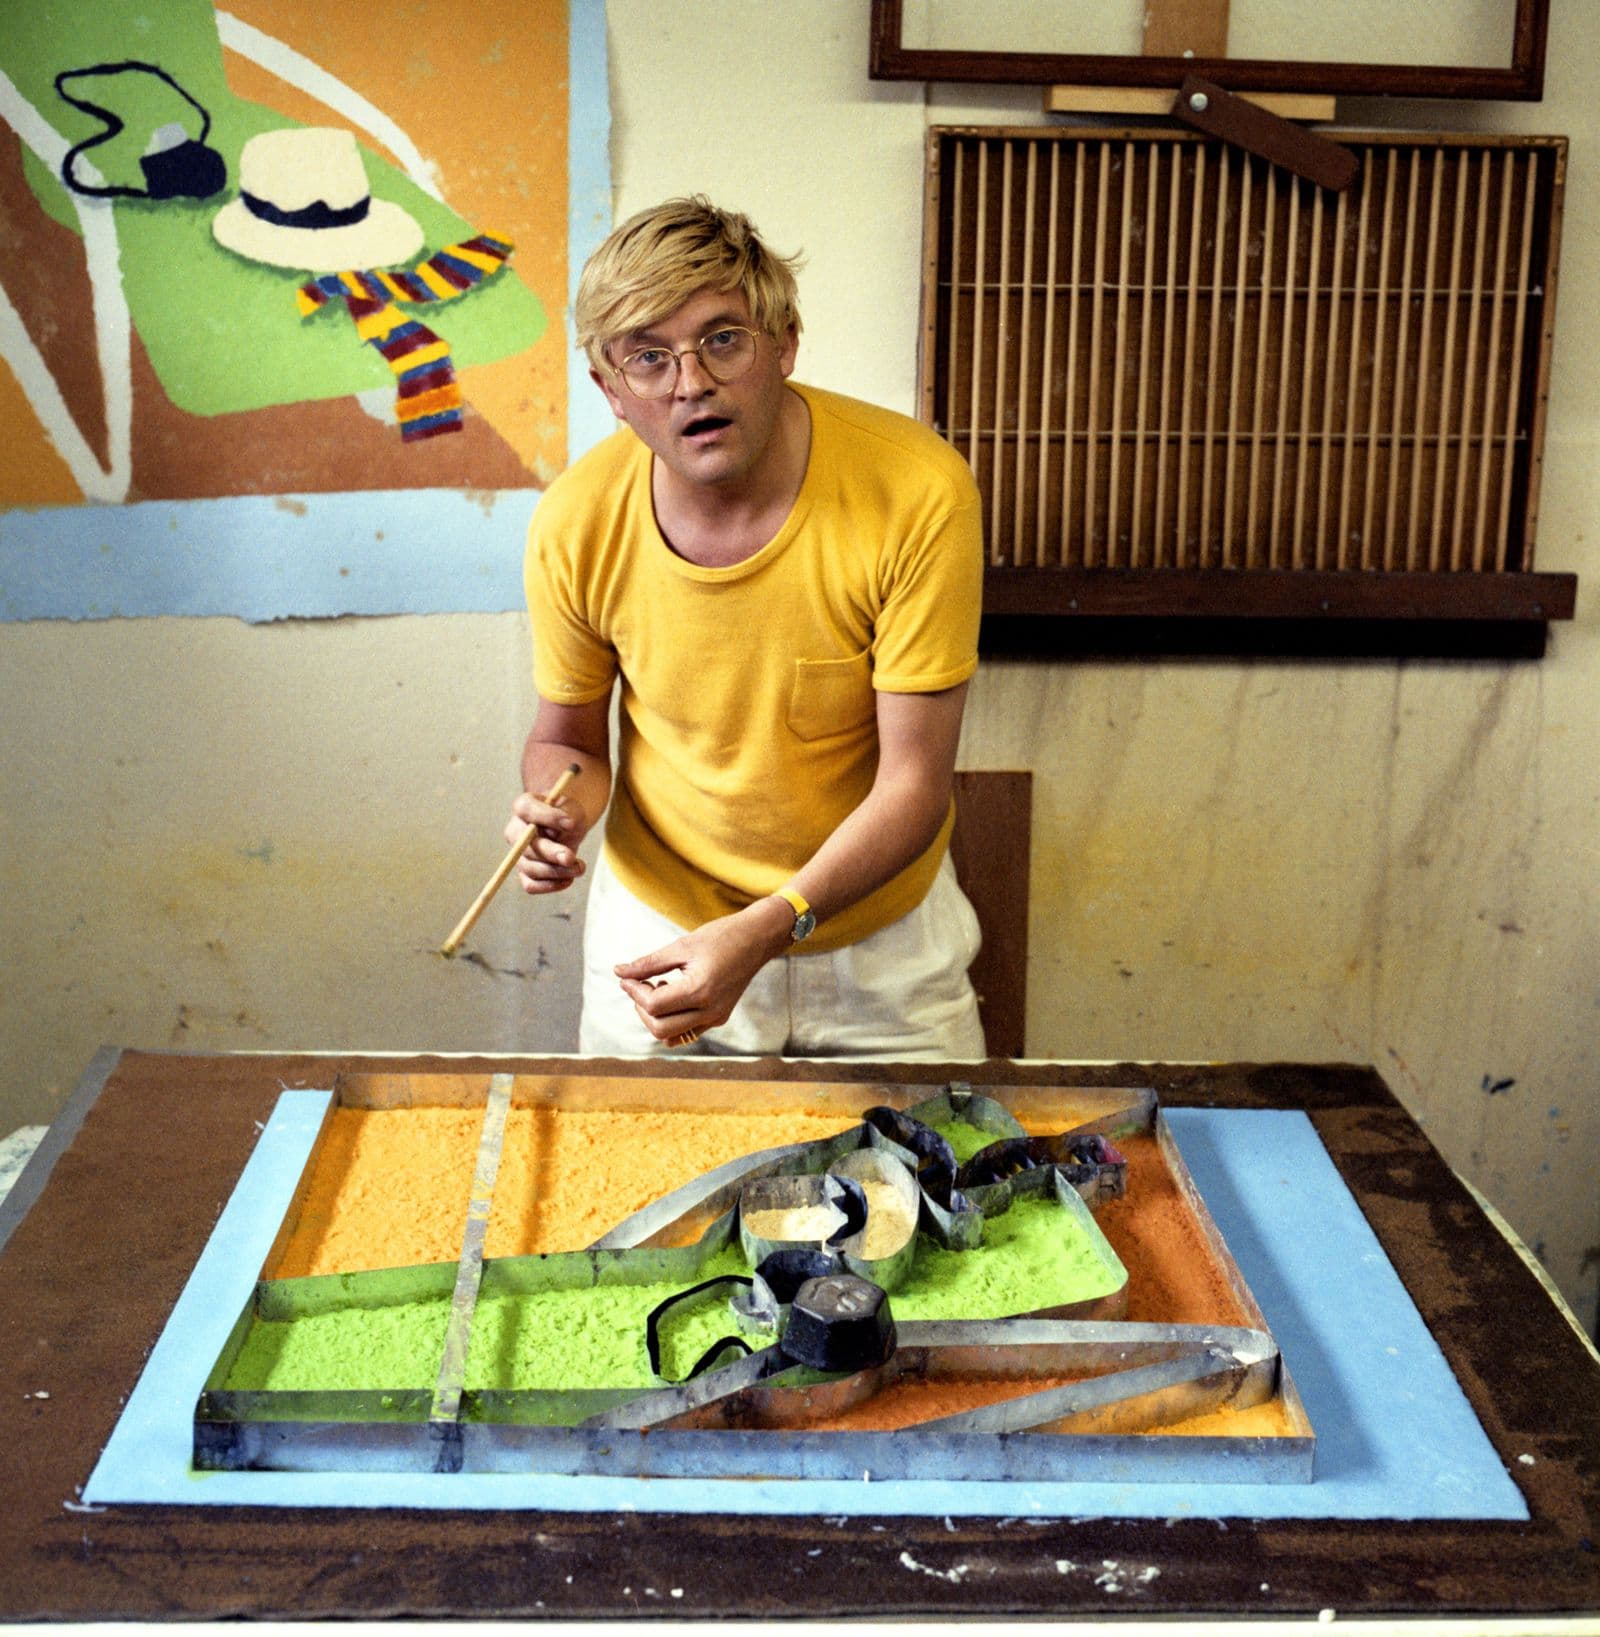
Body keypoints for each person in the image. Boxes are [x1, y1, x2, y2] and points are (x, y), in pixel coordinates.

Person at [506, 195, 985, 1059]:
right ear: (610, 390)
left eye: (723, 339)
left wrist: (770, 927)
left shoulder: (917, 492)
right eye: (648, 358)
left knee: (935, 1186)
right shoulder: (574, 522)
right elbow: (570, 741)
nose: (691, 382)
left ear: (785, 342)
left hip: (881, 944)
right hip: (660, 930)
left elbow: (916, 785)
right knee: (636, 1185)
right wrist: (560, 811)